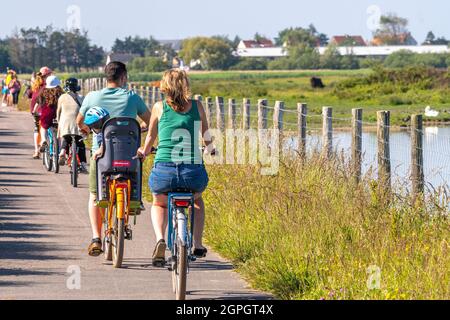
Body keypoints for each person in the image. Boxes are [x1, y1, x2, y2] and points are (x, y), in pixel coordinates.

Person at [137, 69, 216, 266]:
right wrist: (211, 149)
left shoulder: (158, 107)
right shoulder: (197, 106)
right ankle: (197, 243)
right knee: (197, 201)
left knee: (159, 203)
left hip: (164, 171)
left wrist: (144, 152)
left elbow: (150, 137)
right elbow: (206, 134)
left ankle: (159, 239)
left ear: (164, 86)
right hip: (192, 173)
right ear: (185, 85)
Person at [76, 61, 151, 257]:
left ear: (106, 77)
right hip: (129, 155)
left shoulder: (92, 97)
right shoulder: (132, 97)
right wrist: (139, 128)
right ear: (123, 77)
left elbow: (80, 122)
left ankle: (96, 237)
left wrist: (90, 133)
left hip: (102, 156)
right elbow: (151, 121)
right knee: (134, 176)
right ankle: (134, 200)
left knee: (94, 195)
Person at [57, 78, 87, 172]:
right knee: (81, 144)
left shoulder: (62, 97)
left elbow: (58, 112)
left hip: (65, 123)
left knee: (66, 137)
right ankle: (83, 164)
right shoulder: (82, 98)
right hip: (78, 124)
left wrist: (59, 122)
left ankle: (62, 152)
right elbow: (84, 112)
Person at [36, 75, 64, 152]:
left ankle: (43, 140)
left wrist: (34, 111)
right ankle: (60, 148)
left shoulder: (43, 92)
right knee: (59, 131)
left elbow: (38, 103)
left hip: (46, 114)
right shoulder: (60, 93)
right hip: (58, 114)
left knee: (43, 127)